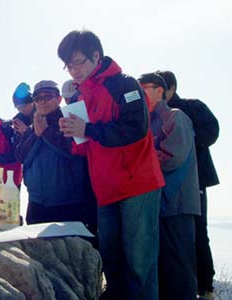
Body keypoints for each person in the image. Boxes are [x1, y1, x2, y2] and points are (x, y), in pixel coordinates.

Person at [57, 30, 165, 300]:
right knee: (112, 263)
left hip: (137, 185)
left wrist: (88, 129)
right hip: (105, 189)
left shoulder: (125, 84)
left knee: (139, 265)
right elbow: (86, 144)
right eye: (68, 65)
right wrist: (74, 131)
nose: (73, 71)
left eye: (78, 62)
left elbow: (135, 129)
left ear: (96, 56)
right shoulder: (81, 96)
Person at [157, 70, 220, 300]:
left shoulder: (192, 107)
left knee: (198, 232)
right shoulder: (155, 115)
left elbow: (212, 131)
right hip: (168, 185)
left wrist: (184, 138)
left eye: (160, 88)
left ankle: (206, 288)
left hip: (197, 180)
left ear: (171, 88)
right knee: (174, 237)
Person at [139, 72, 200, 300]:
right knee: (162, 269)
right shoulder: (147, 121)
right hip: (157, 205)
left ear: (160, 91)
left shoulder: (175, 117)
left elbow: (173, 157)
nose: (141, 92)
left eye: (145, 87)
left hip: (177, 204)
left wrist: (141, 155)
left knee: (179, 270)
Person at [15, 80, 96, 234]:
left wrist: (46, 132)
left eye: (48, 96)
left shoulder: (72, 119)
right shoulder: (32, 128)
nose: (42, 101)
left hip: (69, 204)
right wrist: (36, 136)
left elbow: (74, 151)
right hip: (36, 203)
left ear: (59, 99)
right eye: (38, 98)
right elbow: (21, 157)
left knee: (74, 254)